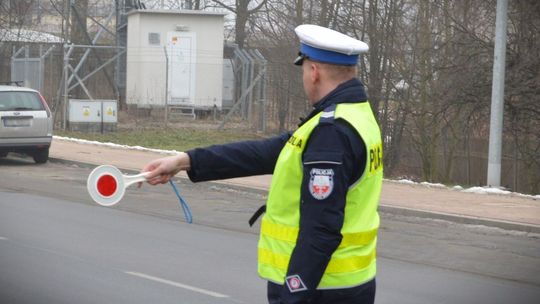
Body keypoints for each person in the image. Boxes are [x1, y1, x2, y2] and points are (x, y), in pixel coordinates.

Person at [142, 24, 383, 304]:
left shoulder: (331, 132)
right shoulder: (356, 115)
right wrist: (186, 161)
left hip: (319, 289)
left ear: (314, 72)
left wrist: (293, 294)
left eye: (304, 69)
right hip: (348, 283)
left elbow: (321, 230)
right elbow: (262, 153)